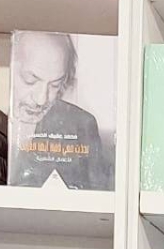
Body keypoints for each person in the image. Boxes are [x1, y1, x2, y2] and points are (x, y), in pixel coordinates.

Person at [9, 31, 110, 191]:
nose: (41, 99)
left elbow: (98, 194)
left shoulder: (81, 126)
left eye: (55, 85)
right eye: (30, 80)